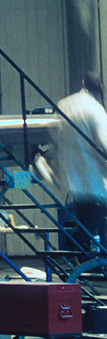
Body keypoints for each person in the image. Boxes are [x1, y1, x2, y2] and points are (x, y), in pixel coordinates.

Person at [52, 74, 107, 253]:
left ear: (83, 83)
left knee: (86, 222)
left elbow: (54, 135)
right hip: (95, 179)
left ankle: (80, 255)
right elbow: (104, 144)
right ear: (101, 89)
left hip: (74, 178)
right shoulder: (95, 109)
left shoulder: (63, 105)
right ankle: (77, 248)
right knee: (91, 222)